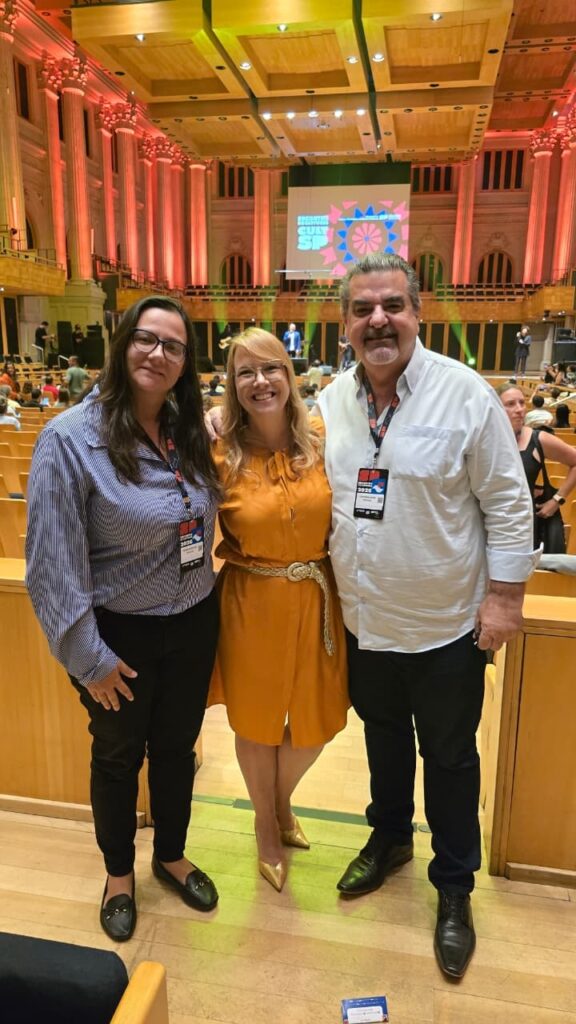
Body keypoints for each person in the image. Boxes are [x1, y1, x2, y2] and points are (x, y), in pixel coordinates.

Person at [314, 254, 537, 979]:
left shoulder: (464, 394)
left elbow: (508, 503)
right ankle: (388, 840)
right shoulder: (330, 402)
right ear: (344, 323)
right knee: (382, 740)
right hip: (366, 622)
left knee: (448, 757)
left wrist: (505, 600)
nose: (377, 319)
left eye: (392, 305)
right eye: (361, 308)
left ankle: (453, 886)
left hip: (447, 627)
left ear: (418, 312)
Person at [26, 296, 221, 942]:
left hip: (193, 621)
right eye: (146, 339)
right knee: (117, 756)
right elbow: (50, 565)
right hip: (118, 635)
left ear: (185, 363)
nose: (158, 354)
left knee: (175, 749)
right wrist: (89, 658)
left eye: (173, 345)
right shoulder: (69, 440)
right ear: (121, 344)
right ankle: (117, 874)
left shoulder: (185, 428)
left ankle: (170, 854)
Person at [208, 329, 348, 892]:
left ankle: (279, 802)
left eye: (271, 369)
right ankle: (268, 824)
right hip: (251, 600)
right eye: (246, 372)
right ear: (232, 385)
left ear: (290, 376)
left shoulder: (321, 439)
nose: (260, 382)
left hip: (318, 596)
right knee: (258, 724)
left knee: (317, 725)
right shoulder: (217, 452)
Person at [498, 384, 576, 550]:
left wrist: (557, 500)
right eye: (511, 404)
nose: (520, 409)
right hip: (489, 525)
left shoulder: (538, 438)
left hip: (526, 529)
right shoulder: (483, 441)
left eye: (521, 402)